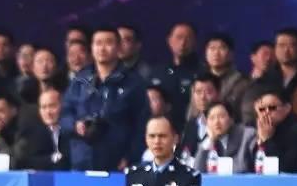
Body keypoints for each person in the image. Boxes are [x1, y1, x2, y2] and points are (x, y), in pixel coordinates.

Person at [62, 27, 148, 171]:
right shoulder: (80, 80)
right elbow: (65, 114)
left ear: (119, 47)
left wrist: (130, 157)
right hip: (82, 161)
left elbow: (141, 125)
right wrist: (75, 125)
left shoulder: (133, 83)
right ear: (91, 47)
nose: (102, 48)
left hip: (117, 162)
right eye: (98, 43)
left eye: (108, 43)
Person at [251, 87, 297, 174]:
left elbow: (285, 167)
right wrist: (260, 140)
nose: (266, 112)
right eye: (262, 109)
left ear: (287, 108)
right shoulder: (254, 127)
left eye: (272, 108)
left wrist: (267, 140)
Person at [14, 89, 72, 171]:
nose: (48, 112)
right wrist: (52, 158)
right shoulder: (31, 134)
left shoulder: (71, 130)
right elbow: (27, 160)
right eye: (43, 107)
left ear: (62, 105)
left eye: (52, 106)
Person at [194, 101, 255, 174]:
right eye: (212, 118)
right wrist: (210, 141)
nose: (216, 122)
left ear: (231, 119)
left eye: (221, 117)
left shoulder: (247, 135)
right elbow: (197, 172)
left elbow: (242, 168)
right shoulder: (207, 141)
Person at [155, 21, 199, 122]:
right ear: (169, 40)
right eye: (179, 37)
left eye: (188, 38)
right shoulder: (157, 72)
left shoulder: (202, 73)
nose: (183, 43)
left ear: (195, 42)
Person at [203, 33, 249, 121]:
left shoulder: (242, 83)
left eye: (222, 48)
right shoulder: (200, 81)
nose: (216, 53)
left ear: (231, 54)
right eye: (212, 48)